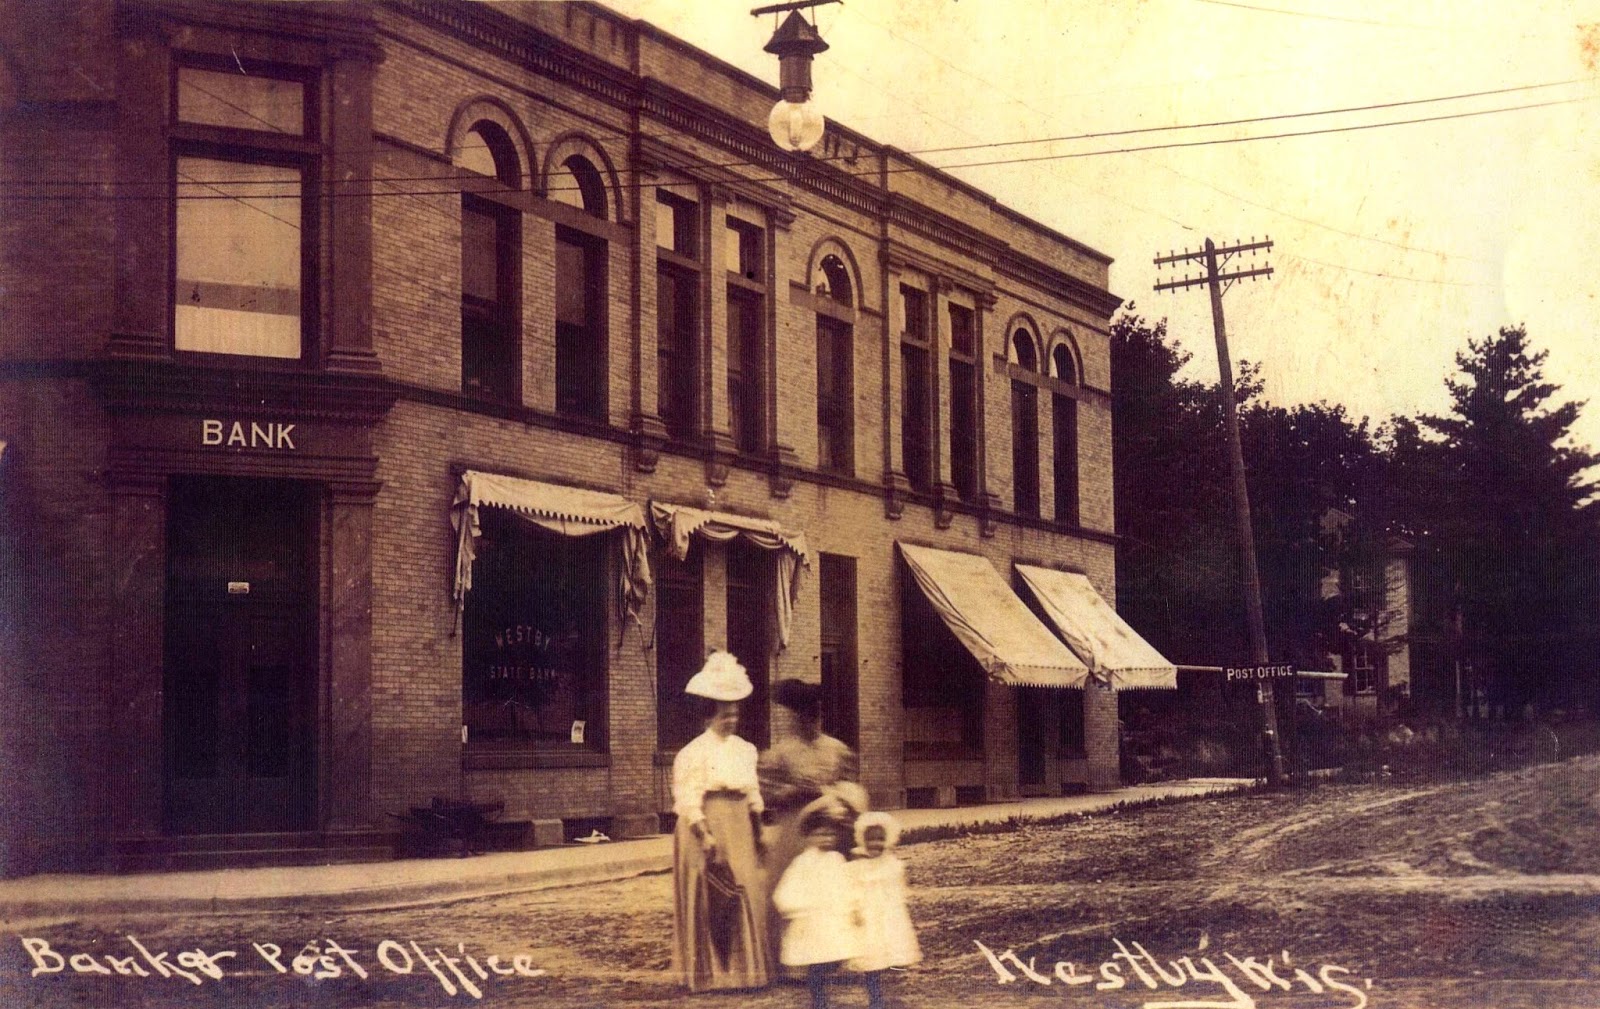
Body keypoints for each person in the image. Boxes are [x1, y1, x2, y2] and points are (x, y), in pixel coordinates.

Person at [670, 651, 771, 991]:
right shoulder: (693, 753)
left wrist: (760, 833)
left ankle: (745, 972)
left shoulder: (745, 749)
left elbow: (754, 794)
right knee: (711, 894)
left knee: (744, 888)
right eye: (725, 714)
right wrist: (705, 835)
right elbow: (688, 800)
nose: (731, 720)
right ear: (709, 713)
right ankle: (711, 974)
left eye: (735, 714)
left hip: (740, 826)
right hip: (707, 826)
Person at [759, 678, 867, 958]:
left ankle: (837, 954)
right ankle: (791, 958)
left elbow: (851, 787)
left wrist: (841, 800)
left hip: (829, 828)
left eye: (814, 716)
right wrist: (795, 790)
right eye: (803, 716)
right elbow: (766, 792)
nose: (810, 722)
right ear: (794, 718)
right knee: (792, 887)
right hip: (794, 828)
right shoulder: (781, 753)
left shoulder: (836, 749)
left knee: (833, 888)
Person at [771, 804, 862, 1009]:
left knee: (838, 956)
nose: (827, 839)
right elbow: (784, 892)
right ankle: (818, 1000)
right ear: (809, 836)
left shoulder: (836, 858)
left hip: (833, 919)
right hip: (811, 921)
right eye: (821, 834)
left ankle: (820, 991)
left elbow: (846, 884)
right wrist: (798, 910)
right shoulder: (802, 862)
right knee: (817, 963)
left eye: (831, 834)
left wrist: (853, 906)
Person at [845, 811, 921, 1009]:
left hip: (889, 916)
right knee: (872, 961)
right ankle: (875, 1000)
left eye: (880, 840)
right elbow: (851, 891)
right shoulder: (857, 867)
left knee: (893, 956)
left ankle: (894, 995)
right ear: (863, 840)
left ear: (888, 841)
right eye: (870, 840)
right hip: (868, 918)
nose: (875, 844)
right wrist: (855, 910)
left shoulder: (893, 865)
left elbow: (900, 891)